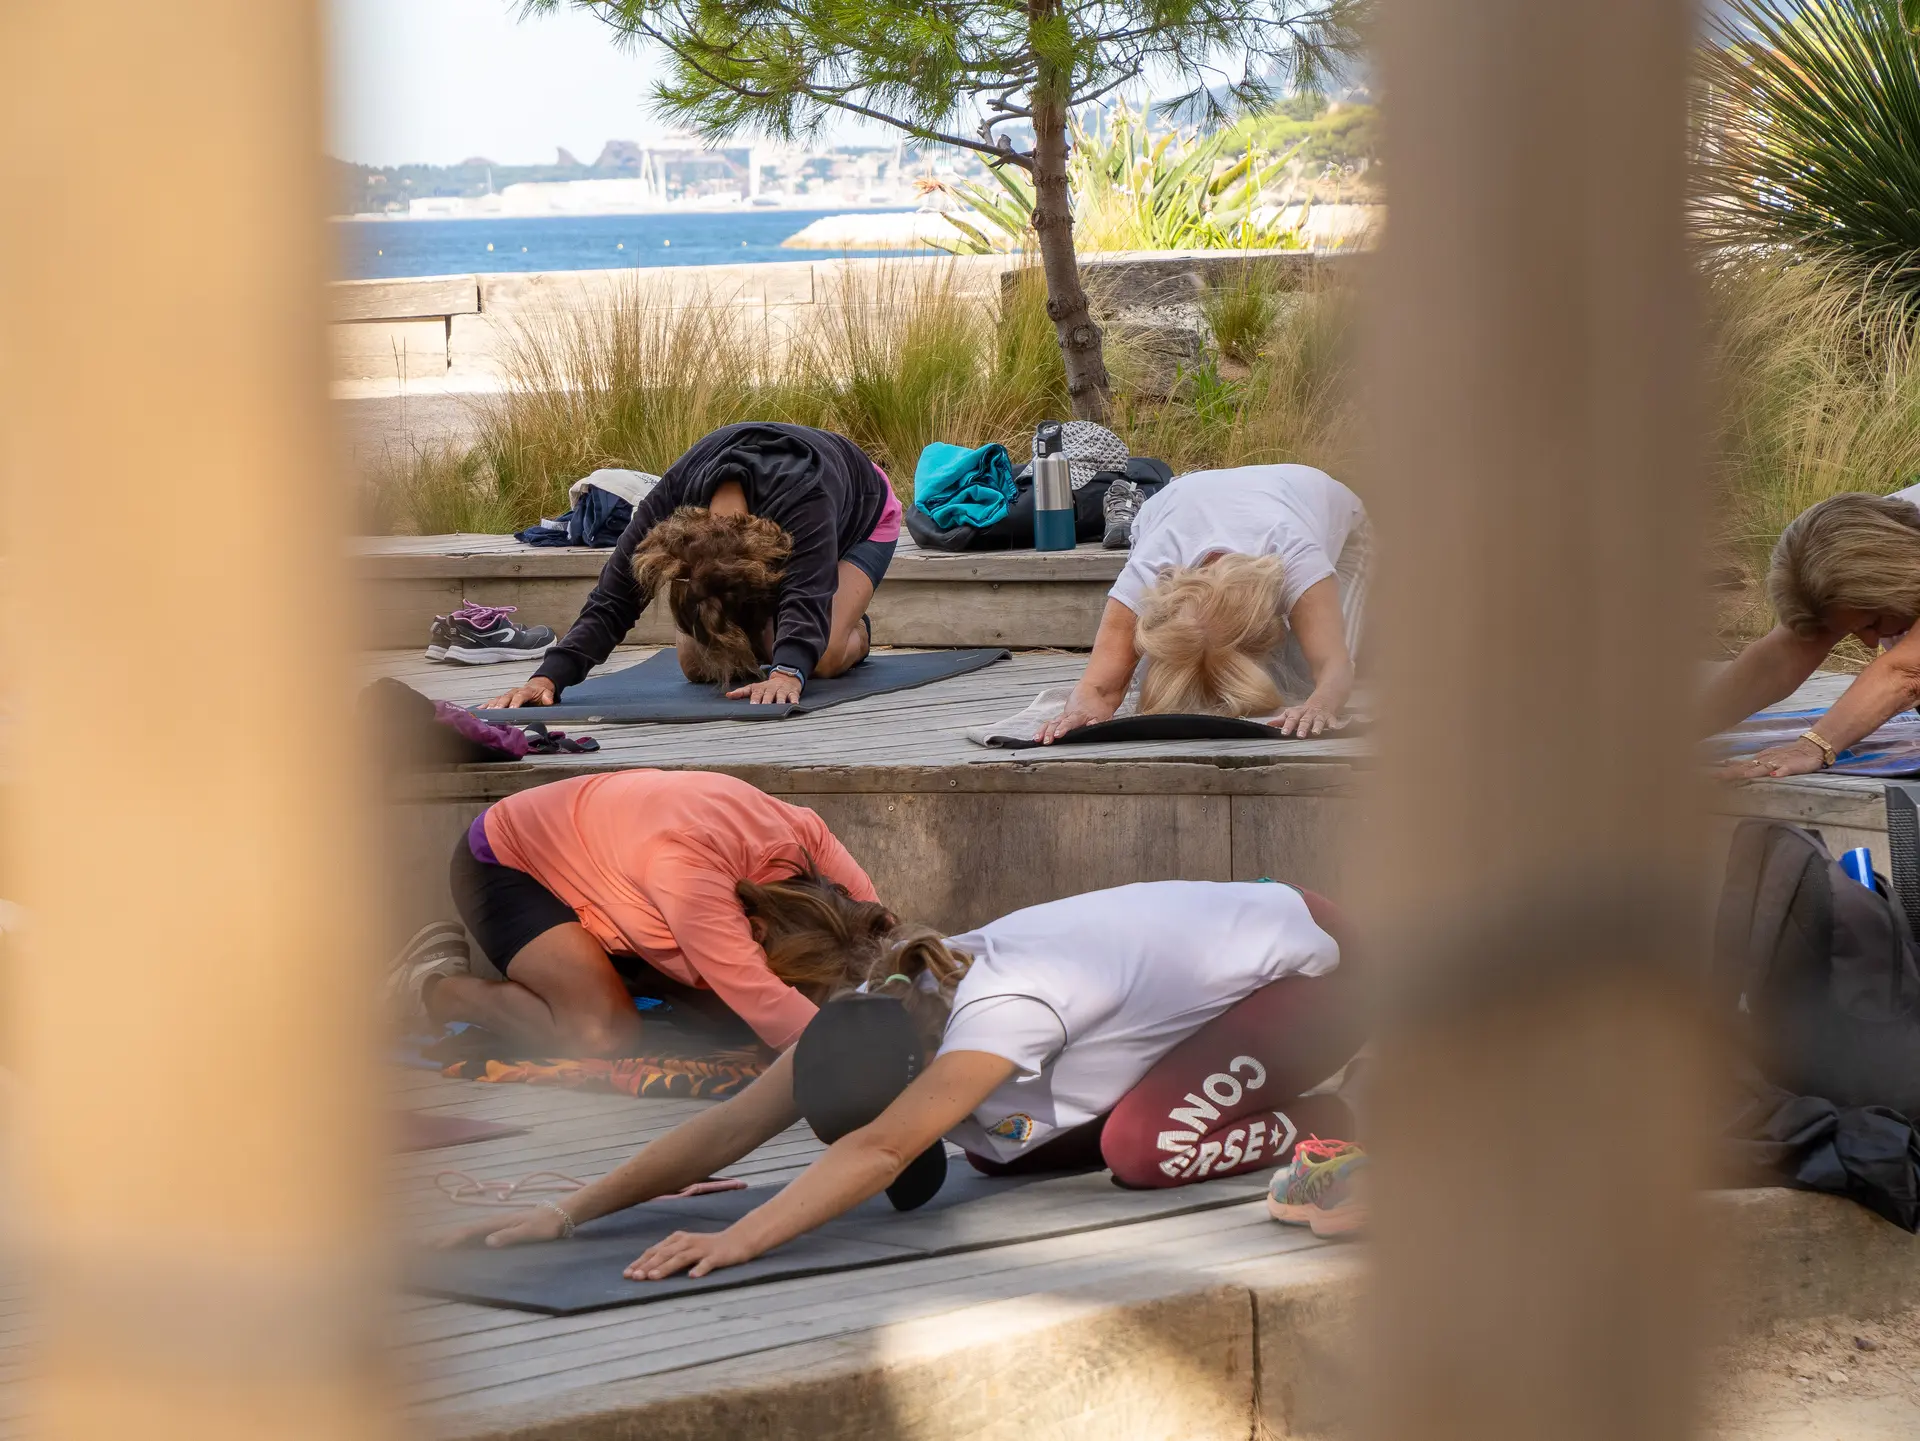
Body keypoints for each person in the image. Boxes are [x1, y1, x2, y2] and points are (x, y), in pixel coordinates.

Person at [439, 879, 1363, 1282]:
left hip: (1323, 969)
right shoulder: (878, 1007)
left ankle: (1330, 1112)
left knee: (1144, 1148)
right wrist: (563, 1212)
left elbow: (884, 1147)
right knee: (1002, 1152)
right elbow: (729, 1128)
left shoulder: (1002, 1014)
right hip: (1216, 980)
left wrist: (743, 1239)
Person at [389, 770, 883, 1057]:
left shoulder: (807, 839)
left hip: (616, 874)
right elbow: (784, 1021)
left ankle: (614, 975)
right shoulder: (688, 874)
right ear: (755, 929)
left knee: (740, 1020)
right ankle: (432, 987)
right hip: (510, 862)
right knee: (602, 1035)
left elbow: (884, 950)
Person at [484, 422, 901, 711]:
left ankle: (853, 626)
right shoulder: (668, 506)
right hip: (774, 533)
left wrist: (787, 672)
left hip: (862, 517)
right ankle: (770, 633)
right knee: (698, 664)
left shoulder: (807, 501)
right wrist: (547, 679)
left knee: (821, 656)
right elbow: (612, 599)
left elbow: (806, 591)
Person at [1038, 464, 1370, 743]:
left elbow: (1333, 667)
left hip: (1344, 535)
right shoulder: (1150, 566)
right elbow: (1099, 687)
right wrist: (1081, 711)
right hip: (1191, 502)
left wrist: (1321, 703)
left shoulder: (1296, 554)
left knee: (1303, 674)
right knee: (1157, 678)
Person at [1710, 484, 1920, 778]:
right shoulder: (1872, 535)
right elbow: (1778, 661)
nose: (1872, 644)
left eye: (1873, 623)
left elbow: (1908, 674)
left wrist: (1813, 747)